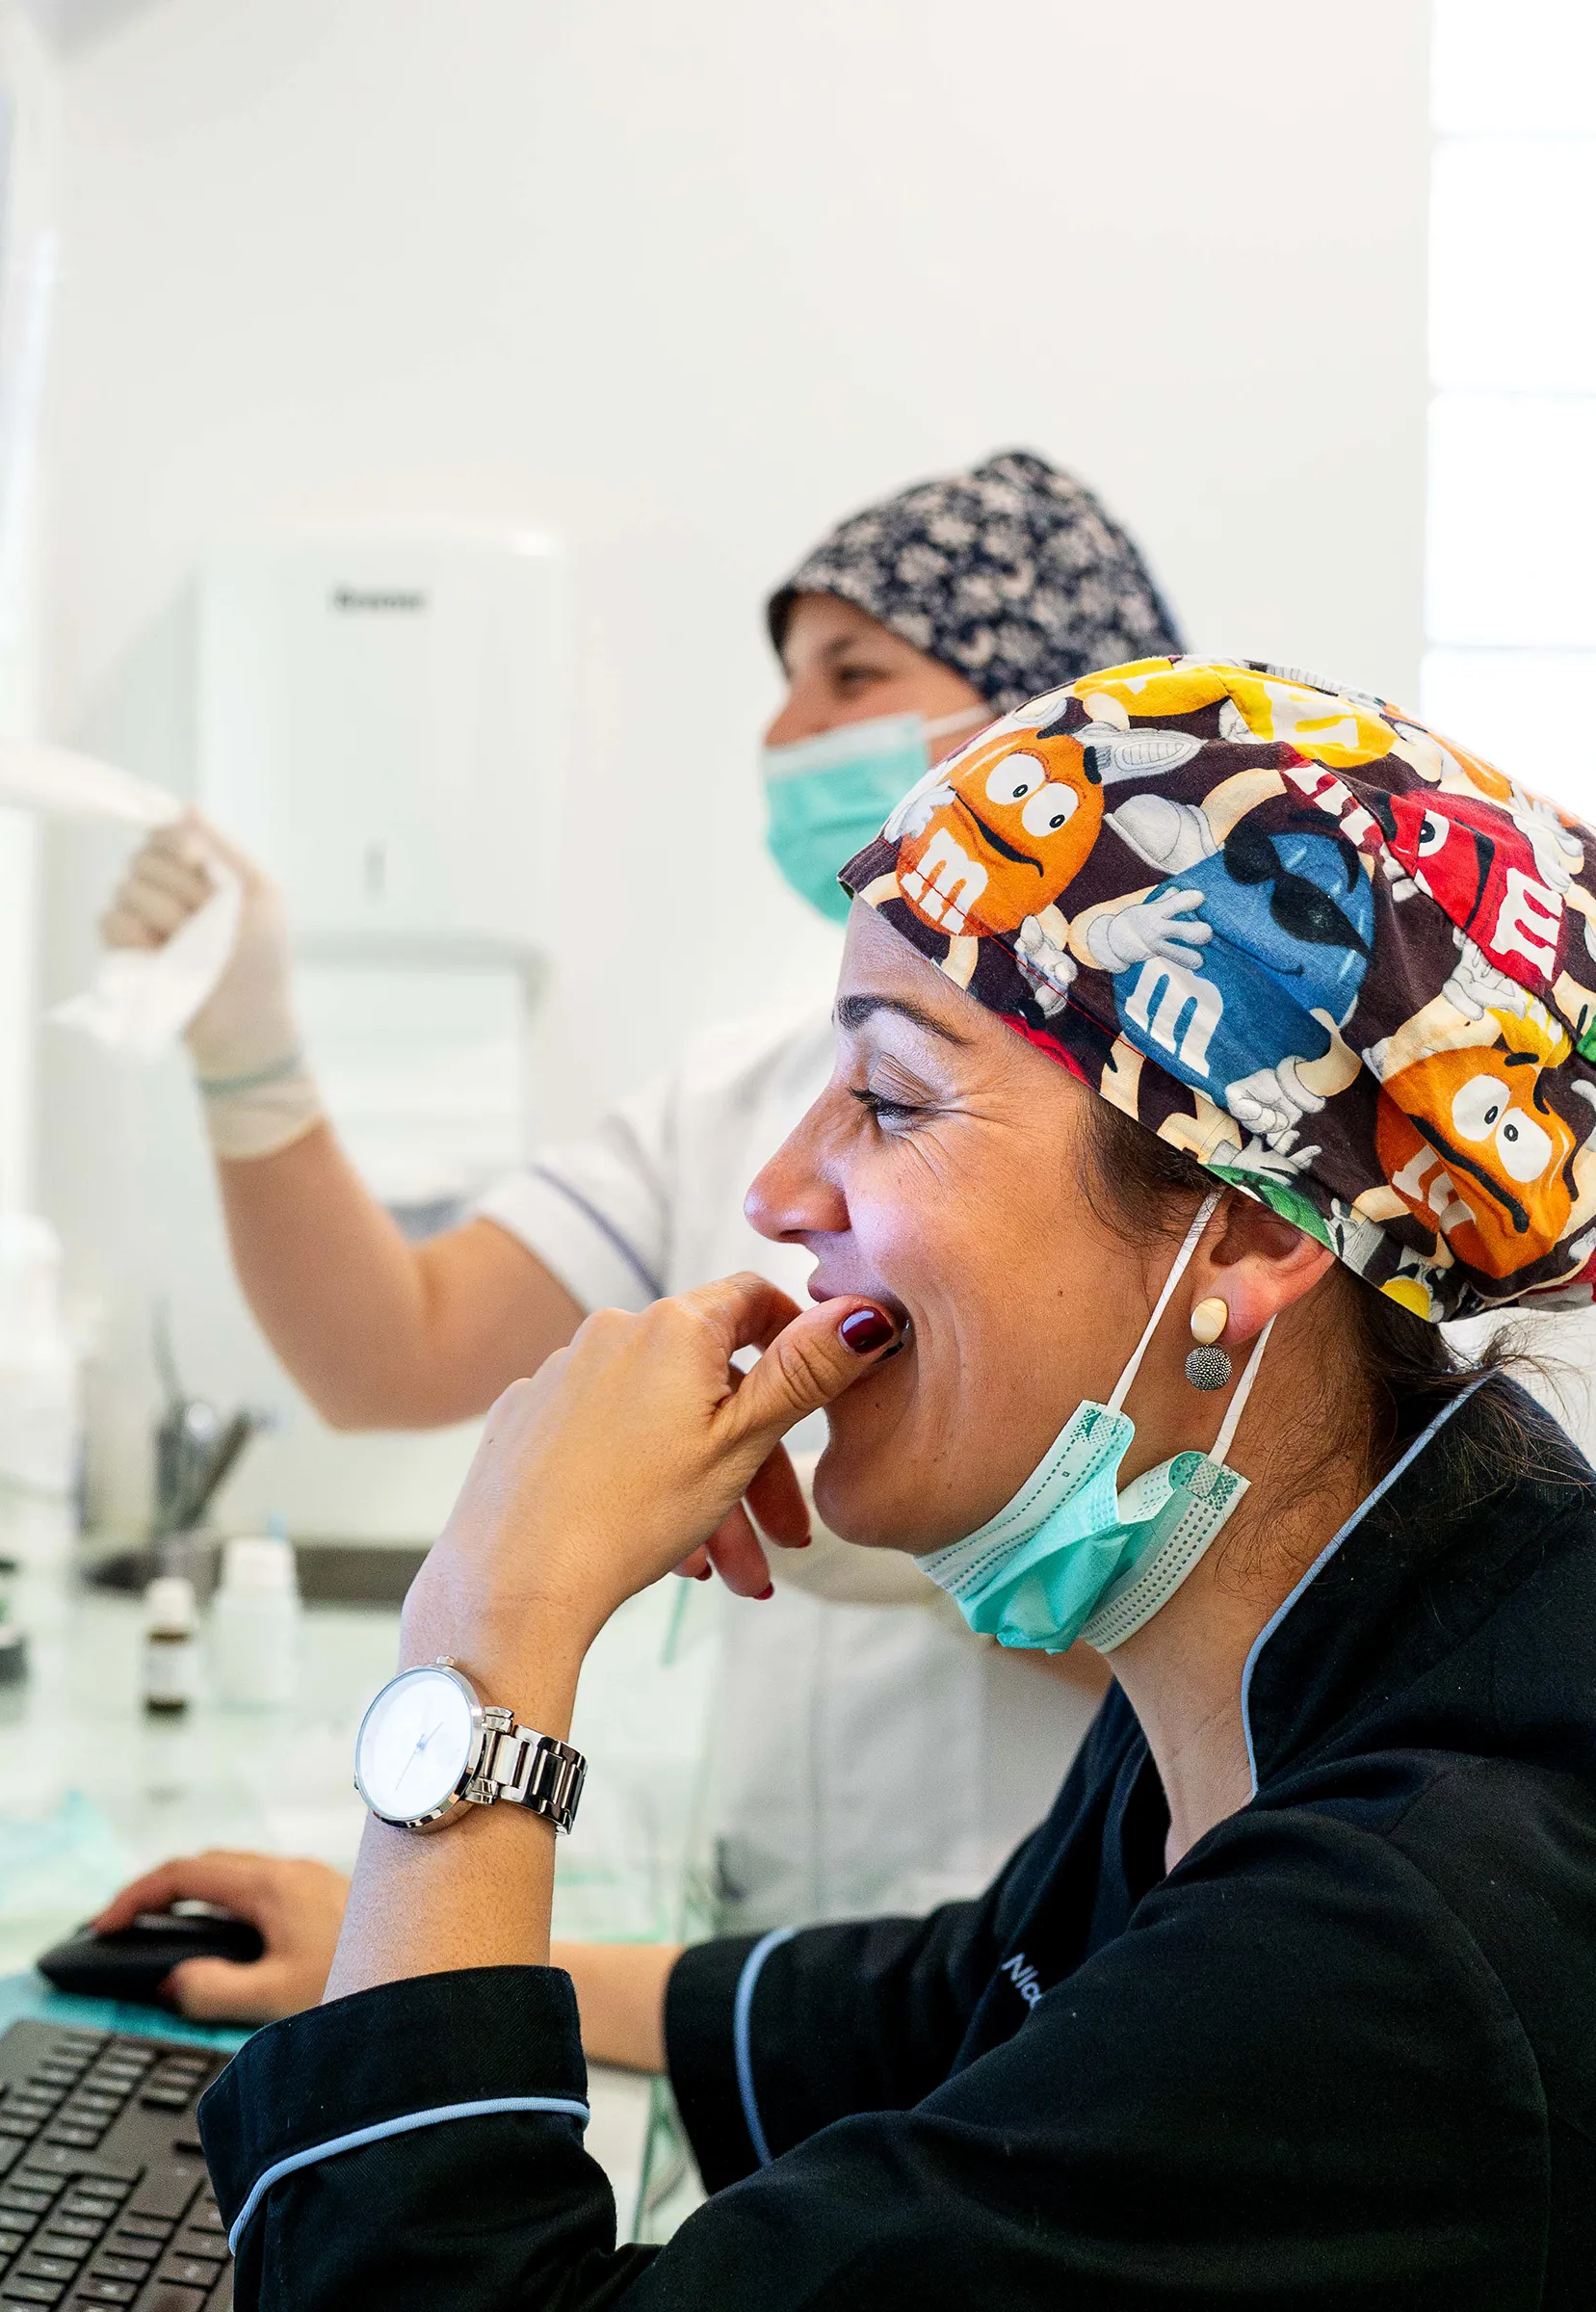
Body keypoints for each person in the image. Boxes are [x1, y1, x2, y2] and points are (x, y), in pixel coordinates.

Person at [159, 659, 1596, 2303]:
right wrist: (471, 1971)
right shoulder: (1366, 1571)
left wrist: (488, 1645)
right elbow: (981, 2004)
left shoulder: (1389, 1957)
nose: (781, 1194)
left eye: (889, 1098)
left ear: (1255, 1228)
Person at [103, 450, 1186, 1929]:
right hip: (764, 1975)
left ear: (1042, 724)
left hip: (1063, 1965)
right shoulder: (739, 1095)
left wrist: (961, 1550)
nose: (784, 731)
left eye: (848, 675)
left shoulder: (1187, 1121)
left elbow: (1278, 1624)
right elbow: (390, 1352)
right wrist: (251, 1055)